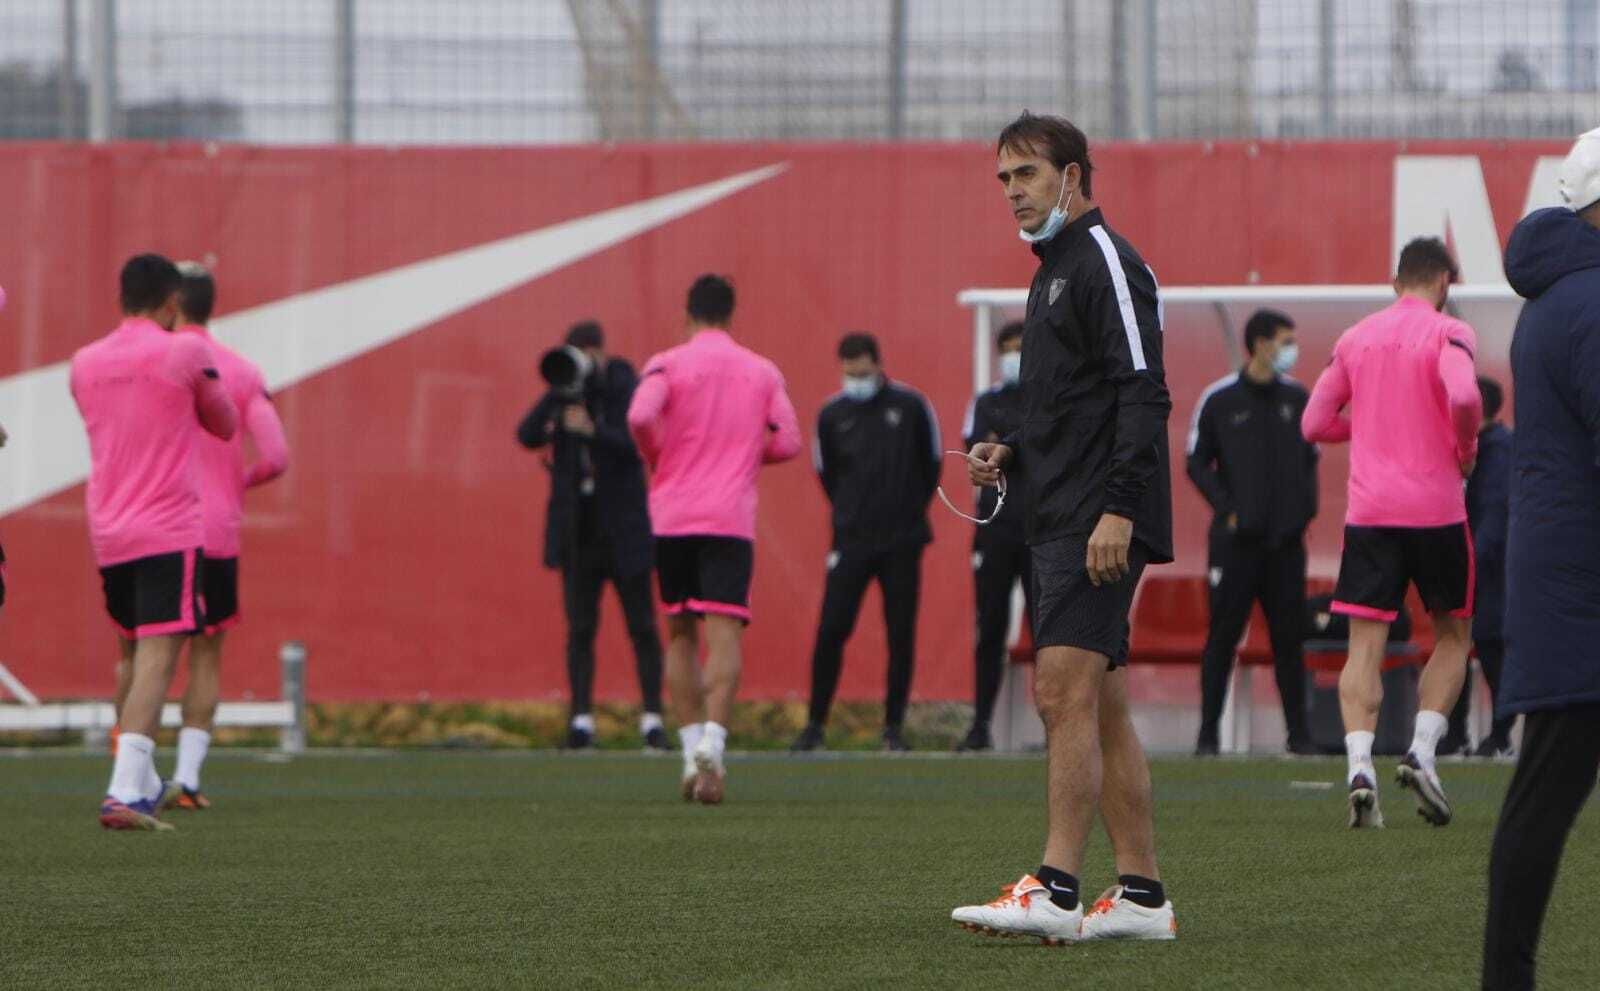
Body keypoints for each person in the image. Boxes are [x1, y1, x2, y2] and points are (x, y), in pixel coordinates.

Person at [953, 112, 1177, 943]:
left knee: (1060, 692)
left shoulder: (1108, 261)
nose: (1014, 192)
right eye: (1005, 179)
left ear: (1073, 176)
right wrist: (1007, 450)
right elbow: (1070, 406)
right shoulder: (1050, 272)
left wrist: (1120, 506)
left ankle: (1055, 885)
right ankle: (1145, 897)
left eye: (1028, 175)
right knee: (1102, 706)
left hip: (1097, 519)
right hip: (1062, 510)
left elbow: (1144, 389)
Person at [1301, 236, 1481, 830]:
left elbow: (1314, 421)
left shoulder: (1356, 337)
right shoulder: (1448, 332)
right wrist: (1464, 446)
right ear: (1444, 285)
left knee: (1364, 647)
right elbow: (1463, 394)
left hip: (1372, 515)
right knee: (1453, 637)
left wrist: (1368, 428)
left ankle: (1360, 767)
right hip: (1437, 512)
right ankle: (1422, 752)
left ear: (1395, 281)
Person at [1482, 130, 1600, 989]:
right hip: (1582, 596)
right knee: (1543, 798)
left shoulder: (1562, 295)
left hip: (1570, 586)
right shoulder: (1591, 301)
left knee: (1542, 796)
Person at [71, 254, 238, 831]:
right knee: (161, 654)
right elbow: (224, 423)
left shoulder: (83, 362)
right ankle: (123, 788)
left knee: (129, 652)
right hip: (168, 525)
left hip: (109, 529)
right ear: (172, 304)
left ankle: (142, 780)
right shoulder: (186, 351)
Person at [627, 274, 801, 804]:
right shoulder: (761, 370)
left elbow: (639, 415)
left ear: (689, 314)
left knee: (679, 634)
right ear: (731, 314)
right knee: (725, 638)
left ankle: (687, 752)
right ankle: (714, 749)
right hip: (728, 517)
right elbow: (790, 441)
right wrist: (747, 454)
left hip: (673, 515)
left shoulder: (668, 363)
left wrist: (660, 455)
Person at [148, 262, 290, 810]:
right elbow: (276, 456)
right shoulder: (242, 372)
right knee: (206, 656)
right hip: (217, 530)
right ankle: (188, 779)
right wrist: (235, 482)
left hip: (154, 524)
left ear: (172, 303)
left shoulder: (144, 363)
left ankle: (132, 777)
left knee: (145, 654)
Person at [518, 321, 666, 750]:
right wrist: (556, 399)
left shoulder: (623, 384)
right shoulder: (564, 391)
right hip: (578, 535)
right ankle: (581, 719)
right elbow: (525, 434)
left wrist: (592, 430)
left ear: (600, 353)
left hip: (623, 532)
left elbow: (637, 444)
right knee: (581, 629)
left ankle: (652, 719)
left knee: (642, 626)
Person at [791, 333, 939, 753]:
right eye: (848, 372)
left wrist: (905, 512)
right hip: (852, 542)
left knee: (900, 633)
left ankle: (893, 729)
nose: (855, 379)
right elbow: (827, 473)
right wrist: (850, 515)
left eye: (862, 371)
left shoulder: (910, 406)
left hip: (903, 542)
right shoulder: (831, 414)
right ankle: (814, 726)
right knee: (831, 630)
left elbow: (931, 465)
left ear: (878, 363)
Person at [1186, 309, 1317, 756]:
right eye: (1285, 341)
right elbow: (1195, 461)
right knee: (1222, 637)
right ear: (1260, 344)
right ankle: (1207, 736)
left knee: (1289, 640)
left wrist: (1302, 513)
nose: (1290, 350)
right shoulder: (1220, 399)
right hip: (1235, 546)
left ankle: (1298, 736)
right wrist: (1229, 510)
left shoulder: (1298, 399)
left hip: (1285, 547)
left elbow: (1310, 461)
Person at [956, 321, 1030, 752]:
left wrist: (1008, 447)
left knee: (1047, 630)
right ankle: (981, 724)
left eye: (1021, 348)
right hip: (996, 530)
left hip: (1041, 529)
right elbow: (978, 455)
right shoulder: (985, 402)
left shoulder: (1049, 397)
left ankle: (1054, 723)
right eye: (1007, 348)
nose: (1013, 356)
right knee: (990, 628)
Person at [1441, 375, 1513, 758]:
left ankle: (1500, 735)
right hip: (1464, 564)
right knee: (1455, 647)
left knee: (1491, 647)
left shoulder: (1499, 451)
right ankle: (1455, 734)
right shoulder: (1463, 447)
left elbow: (1495, 516)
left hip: (1490, 570)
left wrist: (1471, 560)